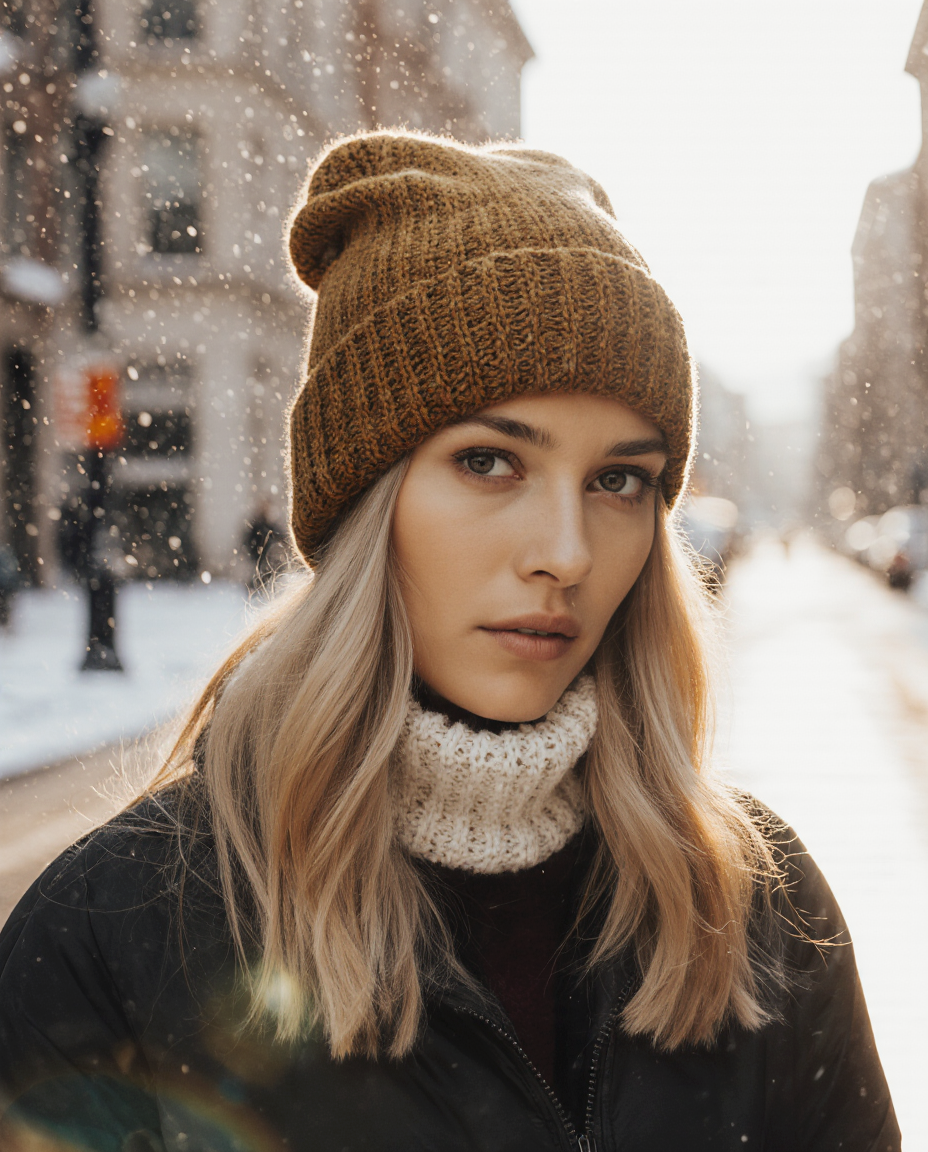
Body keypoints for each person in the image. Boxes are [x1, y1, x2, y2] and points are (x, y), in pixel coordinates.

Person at [0, 132, 898, 1152]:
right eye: (488, 461)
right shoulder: (110, 933)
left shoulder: (758, 908)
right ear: (364, 500)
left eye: (620, 479)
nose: (565, 553)